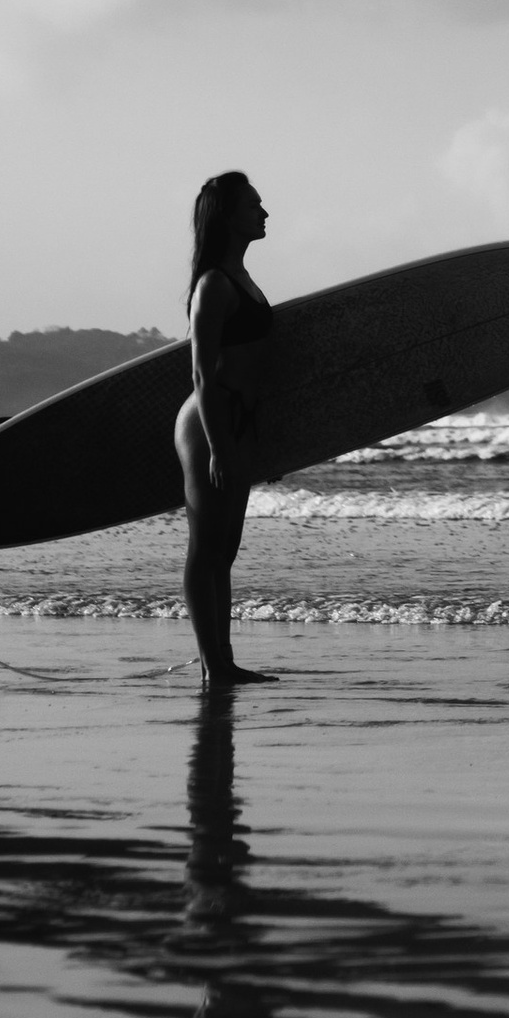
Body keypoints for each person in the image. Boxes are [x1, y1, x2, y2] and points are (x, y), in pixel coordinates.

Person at [175, 169, 272, 689]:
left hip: (239, 423)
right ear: (228, 216)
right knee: (206, 548)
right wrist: (217, 446)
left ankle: (225, 661)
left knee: (226, 551)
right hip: (209, 423)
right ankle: (214, 665)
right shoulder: (214, 285)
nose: (263, 211)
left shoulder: (245, 280)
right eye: (253, 204)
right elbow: (201, 373)